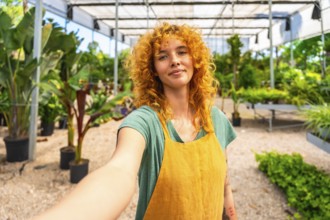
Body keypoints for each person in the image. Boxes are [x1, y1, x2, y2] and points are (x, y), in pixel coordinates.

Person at [34, 22, 237, 220]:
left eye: (182, 52)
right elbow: (119, 170)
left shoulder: (216, 119)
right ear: (153, 70)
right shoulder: (144, 122)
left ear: (195, 59)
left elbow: (224, 184)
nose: (174, 60)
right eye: (163, 56)